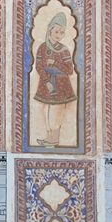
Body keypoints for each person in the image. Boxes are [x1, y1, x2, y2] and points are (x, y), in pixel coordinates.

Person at [32, 12, 77, 147]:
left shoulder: (63, 50)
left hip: (61, 84)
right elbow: (39, 66)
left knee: (56, 113)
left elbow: (69, 70)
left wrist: (56, 63)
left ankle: (54, 140)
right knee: (47, 112)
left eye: (61, 32)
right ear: (50, 30)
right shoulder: (42, 47)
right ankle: (49, 138)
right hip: (46, 83)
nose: (58, 35)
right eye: (56, 31)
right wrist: (46, 81)